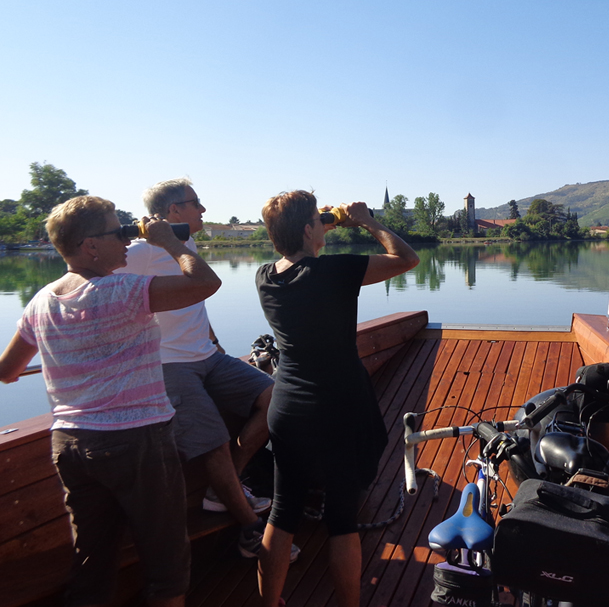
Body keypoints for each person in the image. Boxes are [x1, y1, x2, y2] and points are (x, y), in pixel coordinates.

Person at [0, 196, 222, 607]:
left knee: (92, 563)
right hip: (137, 441)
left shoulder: (41, 301)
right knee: (167, 568)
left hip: (70, 443)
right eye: (117, 231)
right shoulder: (123, 289)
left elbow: (8, 370)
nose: (126, 239)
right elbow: (205, 283)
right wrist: (169, 244)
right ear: (90, 246)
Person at [255, 192, 419, 607]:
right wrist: (366, 221)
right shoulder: (335, 270)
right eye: (317, 219)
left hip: (288, 408)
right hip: (338, 408)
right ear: (310, 229)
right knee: (342, 521)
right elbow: (406, 258)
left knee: (283, 511)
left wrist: (322, 220)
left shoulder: (264, 276)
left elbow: (299, 250)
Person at [116, 179, 284, 560]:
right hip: (168, 365)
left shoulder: (186, 243)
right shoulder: (140, 251)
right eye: (196, 204)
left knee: (278, 398)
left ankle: (227, 485)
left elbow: (195, 296)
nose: (204, 210)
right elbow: (95, 283)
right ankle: (250, 532)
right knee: (213, 442)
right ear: (173, 210)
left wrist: (212, 337)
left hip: (208, 356)